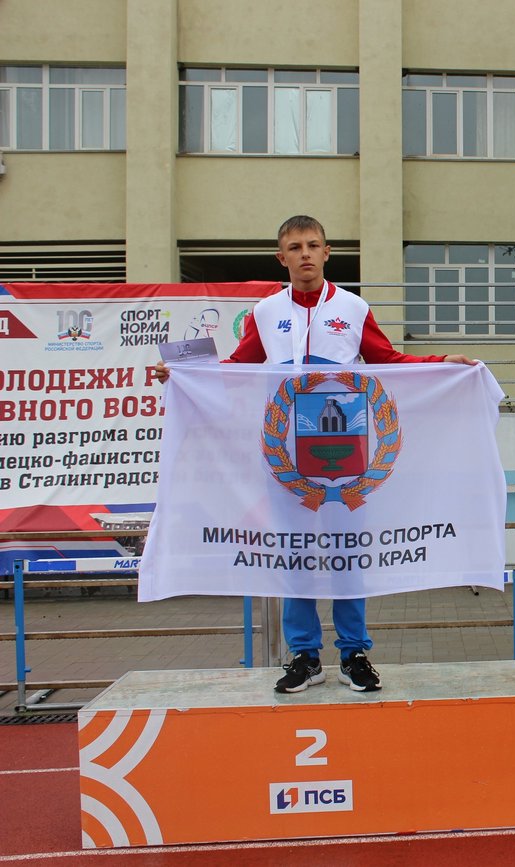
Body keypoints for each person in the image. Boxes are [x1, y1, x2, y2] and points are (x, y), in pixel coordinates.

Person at [155, 215, 477, 694]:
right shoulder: (266, 312)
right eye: (295, 247)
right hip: (284, 454)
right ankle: (305, 656)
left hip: (347, 453)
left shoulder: (352, 307)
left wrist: (441, 363)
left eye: (312, 245)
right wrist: (182, 375)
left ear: (327, 252)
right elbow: (237, 368)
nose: (304, 254)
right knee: (294, 554)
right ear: (281, 257)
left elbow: (388, 361)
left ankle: (354, 654)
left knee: (350, 553)